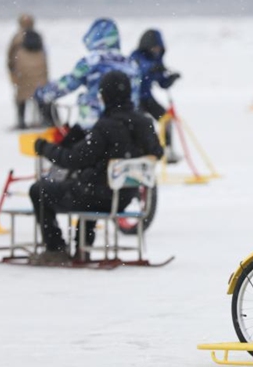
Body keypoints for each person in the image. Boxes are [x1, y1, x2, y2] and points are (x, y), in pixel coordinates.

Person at [29, 71, 164, 265]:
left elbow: (73, 158)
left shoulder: (105, 126)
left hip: (97, 196)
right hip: (125, 196)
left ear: (105, 95)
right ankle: (82, 250)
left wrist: (45, 148)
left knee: (40, 190)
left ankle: (55, 248)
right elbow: (157, 153)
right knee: (91, 184)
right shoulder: (144, 123)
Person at [34, 18, 139, 130]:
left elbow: (69, 83)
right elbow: (136, 95)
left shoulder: (92, 61)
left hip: (94, 121)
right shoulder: (131, 64)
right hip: (126, 123)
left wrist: (44, 93)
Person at [130, 29, 182, 162]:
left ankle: (167, 149)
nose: (156, 50)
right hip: (134, 99)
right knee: (142, 124)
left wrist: (170, 79)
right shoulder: (136, 57)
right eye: (154, 48)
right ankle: (140, 151)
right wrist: (151, 68)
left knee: (166, 118)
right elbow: (140, 69)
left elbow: (162, 83)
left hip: (147, 98)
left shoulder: (157, 60)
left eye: (159, 48)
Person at [10, 30, 49, 129]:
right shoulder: (38, 40)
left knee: (21, 98)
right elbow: (45, 60)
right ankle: (45, 120)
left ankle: (21, 121)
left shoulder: (18, 39)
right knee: (40, 97)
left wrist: (13, 73)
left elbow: (11, 58)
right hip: (39, 76)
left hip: (24, 76)